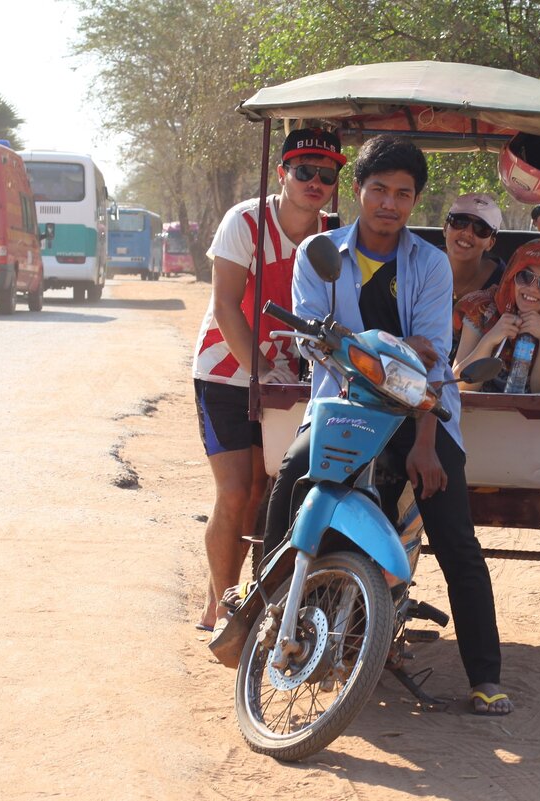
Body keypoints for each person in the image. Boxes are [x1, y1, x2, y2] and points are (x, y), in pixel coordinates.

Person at [264, 135, 512, 716]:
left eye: (403, 194)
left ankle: (485, 675)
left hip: (419, 413)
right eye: (379, 189)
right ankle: (266, 614)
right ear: (358, 190)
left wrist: (426, 442)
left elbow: (432, 362)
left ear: (415, 201)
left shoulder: (429, 264)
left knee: (455, 536)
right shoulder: (319, 253)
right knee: (292, 481)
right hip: (343, 406)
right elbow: (312, 341)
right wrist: (389, 346)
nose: (389, 203)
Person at [191, 127, 343, 631]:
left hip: (288, 383)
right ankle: (223, 610)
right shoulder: (245, 221)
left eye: (327, 175)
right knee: (235, 492)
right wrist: (259, 367)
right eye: (305, 171)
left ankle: (229, 599)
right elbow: (225, 305)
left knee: (263, 490)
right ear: (282, 173)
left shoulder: (333, 234)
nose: (315, 182)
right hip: (227, 373)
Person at [454, 238, 540, 392]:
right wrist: (489, 340)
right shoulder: (481, 308)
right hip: (479, 406)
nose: (532, 289)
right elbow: (457, 385)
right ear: (512, 276)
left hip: (535, 408)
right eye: (525, 276)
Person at [444, 192, 505, 359]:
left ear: (491, 243)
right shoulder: (419, 265)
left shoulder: (504, 283)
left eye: (481, 229)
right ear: (445, 228)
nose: (468, 232)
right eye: (460, 222)